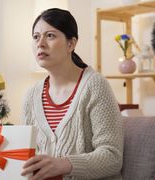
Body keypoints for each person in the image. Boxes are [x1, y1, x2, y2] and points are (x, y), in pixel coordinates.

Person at [21, 8, 123, 180]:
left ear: (71, 44)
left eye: (50, 35)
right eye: (36, 37)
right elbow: (25, 156)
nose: (40, 43)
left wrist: (65, 164)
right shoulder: (30, 96)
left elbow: (112, 157)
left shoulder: (95, 86)